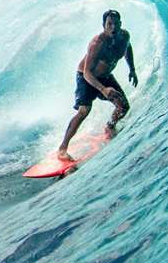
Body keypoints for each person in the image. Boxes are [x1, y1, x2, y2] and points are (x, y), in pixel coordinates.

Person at [57, 9, 138, 161]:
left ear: (120, 23)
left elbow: (127, 48)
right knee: (84, 111)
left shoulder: (124, 36)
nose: (113, 27)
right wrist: (103, 89)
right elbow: (87, 72)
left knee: (124, 107)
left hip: (105, 76)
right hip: (87, 77)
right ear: (104, 26)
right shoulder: (97, 44)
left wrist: (132, 69)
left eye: (115, 23)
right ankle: (63, 149)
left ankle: (110, 126)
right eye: (109, 24)